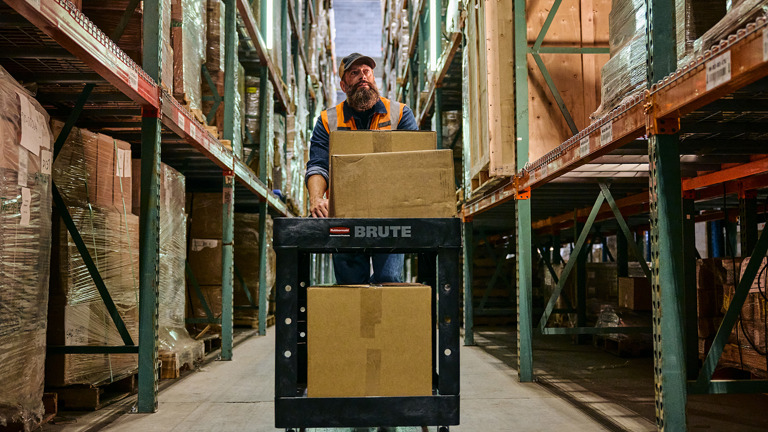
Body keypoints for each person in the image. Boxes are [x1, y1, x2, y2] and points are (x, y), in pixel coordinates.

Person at [305, 52, 419, 284]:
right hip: (345, 214)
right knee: (350, 283)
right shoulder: (328, 120)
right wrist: (317, 199)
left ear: (374, 78)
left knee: (389, 280)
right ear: (343, 84)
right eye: (354, 73)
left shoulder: (399, 114)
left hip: (390, 214)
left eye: (366, 71)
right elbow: (318, 164)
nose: (362, 76)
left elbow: (416, 164)